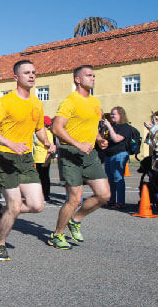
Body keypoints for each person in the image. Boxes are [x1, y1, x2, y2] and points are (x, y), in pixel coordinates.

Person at [0, 60, 55, 261]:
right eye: (26, 73)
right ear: (16, 77)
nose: (31, 75)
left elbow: (39, 128)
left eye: (33, 72)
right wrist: (10, 143)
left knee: (37, 206)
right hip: (4, 158)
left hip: (25, 159)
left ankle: (0, 210)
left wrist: (47, 142)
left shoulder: (36, 103)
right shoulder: (5, 102)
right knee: (14, 205)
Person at [48, 65, 110, 250]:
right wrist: (78, 144)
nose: (93, 78)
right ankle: (57, 235)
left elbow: (91, 126)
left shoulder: (95, 102)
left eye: (94, 76)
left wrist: (99, 139)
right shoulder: (70, 101)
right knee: (74, 199)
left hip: (89, 154)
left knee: (104, 194)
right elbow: (56, 128)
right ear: (77, 79)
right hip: (71, 154)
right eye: (89, 75)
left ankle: (75, 220)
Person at [102, 107, 132, 209]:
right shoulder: (113, 126)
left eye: (114, 114)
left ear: (121, 115)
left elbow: (116, 139)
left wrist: (109, 126)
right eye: (111, 114)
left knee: (118, 178)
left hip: (119, 154)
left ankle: (120, 202)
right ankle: (111, 200)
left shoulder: (125, 127)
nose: (111, 116)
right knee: (110, 179)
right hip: (109, 155)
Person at [33, 116, 55, 203]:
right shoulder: (38, 132)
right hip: (36, 158)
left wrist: (46, 160)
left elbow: (50, 147)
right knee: (38, 178)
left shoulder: (48, 133)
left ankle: (46, 195)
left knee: (44, 178)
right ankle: (40, 195)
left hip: (43, 158)